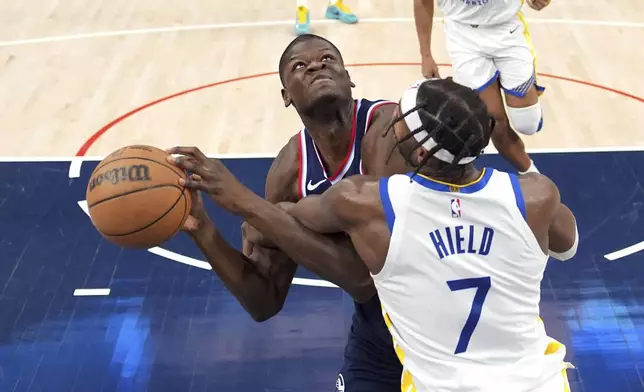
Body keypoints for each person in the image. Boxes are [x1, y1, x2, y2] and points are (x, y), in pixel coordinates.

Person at [284, 78, 578, 391]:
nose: (392, 123)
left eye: (400, 122)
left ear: (421, 153)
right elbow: (567, 247)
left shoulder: (371, 204)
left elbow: (297, 215)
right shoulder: (534, 197)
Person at [168, 34, 413, 391]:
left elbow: (367, 277)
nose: (316, 65)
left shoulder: (388, 128)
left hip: (443, 320)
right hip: (379, 331)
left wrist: (253, 207)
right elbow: (263, 300)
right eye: (300, 66)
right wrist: (203, 229)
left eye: (328, 59)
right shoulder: (289, 170)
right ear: (286, 96)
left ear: (349, 77)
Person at [413, 0, 551, 175]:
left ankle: (510, 84)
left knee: (528, 124)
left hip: (507, 30)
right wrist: (426, 55)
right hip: (463, 37)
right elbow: (422, 2)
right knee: (492, 122)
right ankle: (534, 176)